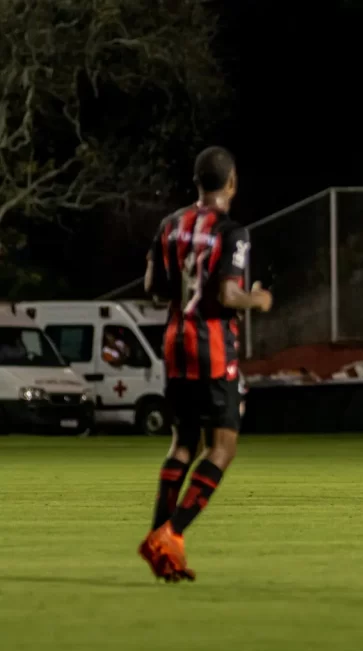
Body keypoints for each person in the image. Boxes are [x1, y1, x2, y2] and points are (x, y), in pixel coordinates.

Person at [139, 146, 273, 582]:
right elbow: (229, 296)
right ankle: (170, 535)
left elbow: (153, 288)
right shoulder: (233, 232)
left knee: (183, 443)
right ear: (231, 182)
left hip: (175, 344)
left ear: (197, 183)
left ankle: (162, 545)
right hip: (212, 348)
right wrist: (260, 298)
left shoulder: (170, 225)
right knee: (223, 446)